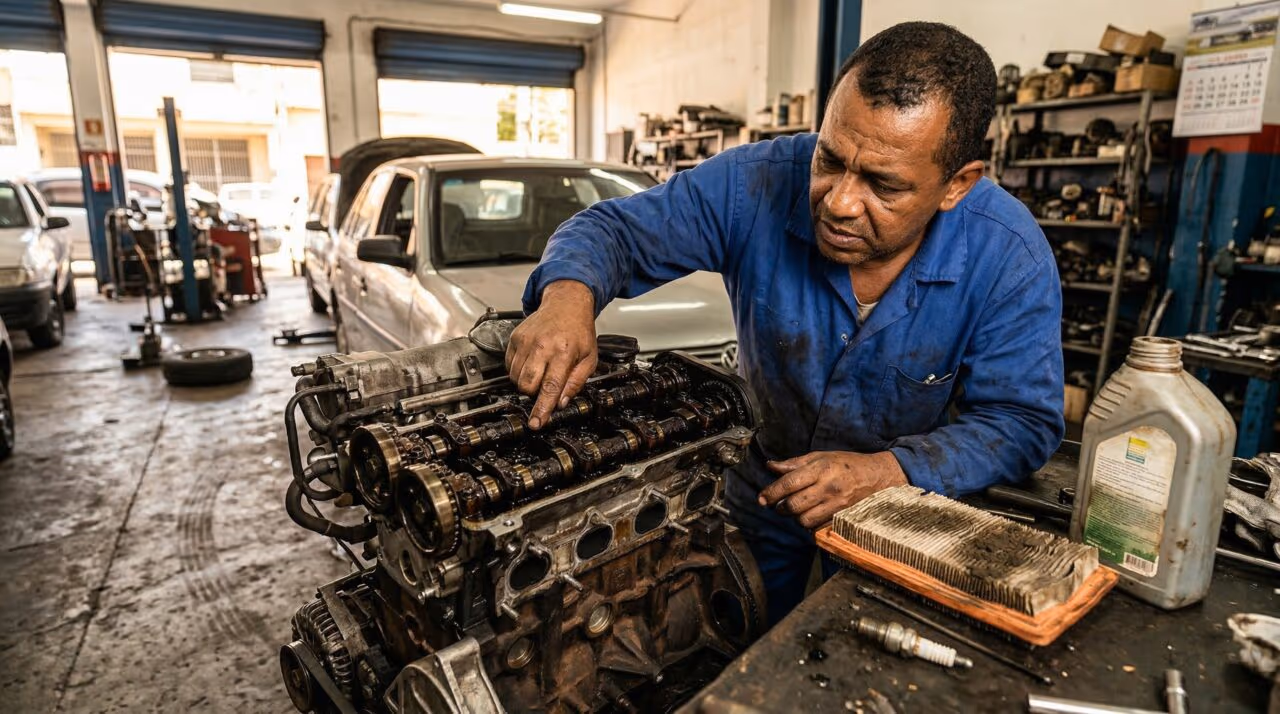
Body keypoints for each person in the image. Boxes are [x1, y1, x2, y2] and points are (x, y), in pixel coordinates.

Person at [505, 22, 1065, 625]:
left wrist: (892, 472)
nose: (840, 201)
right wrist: (568, 297)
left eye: (883, 185)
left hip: (901, 516)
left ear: (956, 185)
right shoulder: (754, 182)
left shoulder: (1007, 254)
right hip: (762, 493)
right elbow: (612, 230)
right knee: (738, 637)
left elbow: (1021, 421)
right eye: (830, 159)